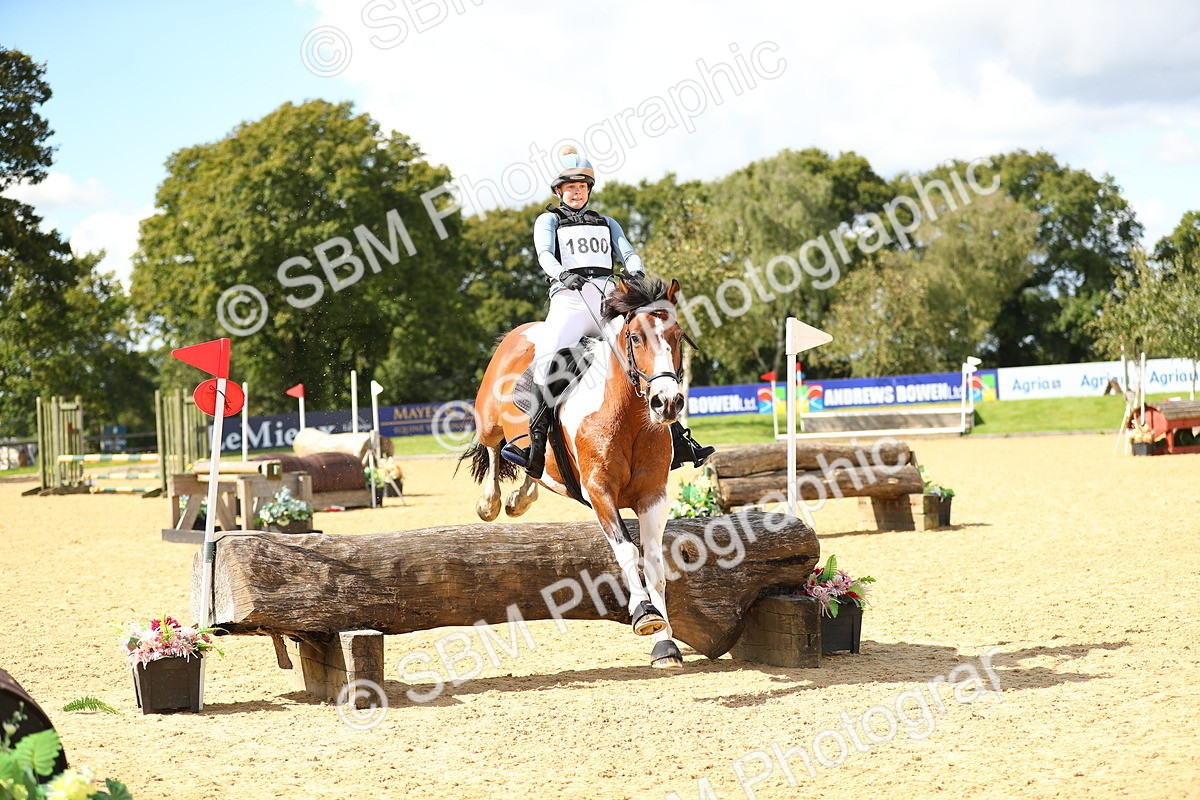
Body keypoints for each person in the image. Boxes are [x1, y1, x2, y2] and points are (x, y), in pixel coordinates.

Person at [500, 146, 714, 478]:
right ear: (559, 191)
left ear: (588, 189)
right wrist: (561, 273)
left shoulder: (606, 222)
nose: (576, 192)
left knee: (644, 356)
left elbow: (627, 250)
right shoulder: (549, 220)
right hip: (569, 299)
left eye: (582, 186)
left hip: (606, 299)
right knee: (547, 361)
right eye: (570, 187)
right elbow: (543, 254)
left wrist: (636, 270)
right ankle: (536, 449)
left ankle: (679, 439)